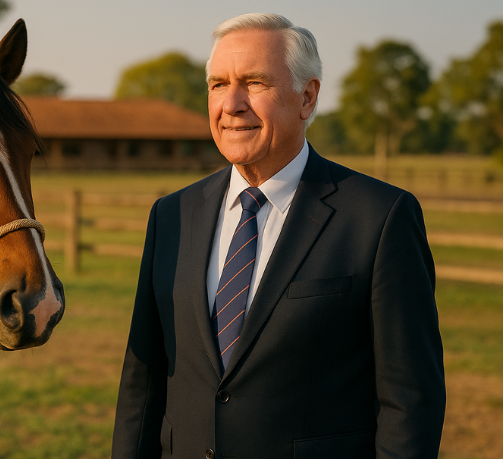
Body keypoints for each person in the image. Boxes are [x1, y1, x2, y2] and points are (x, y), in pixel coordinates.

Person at [111, 13, 446, 459]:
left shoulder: (380, 217)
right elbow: (142, 384)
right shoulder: (172, 215)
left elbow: (410, 403)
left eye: (254, 83)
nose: (231, 103)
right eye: (217, 84)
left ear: (307, 97)